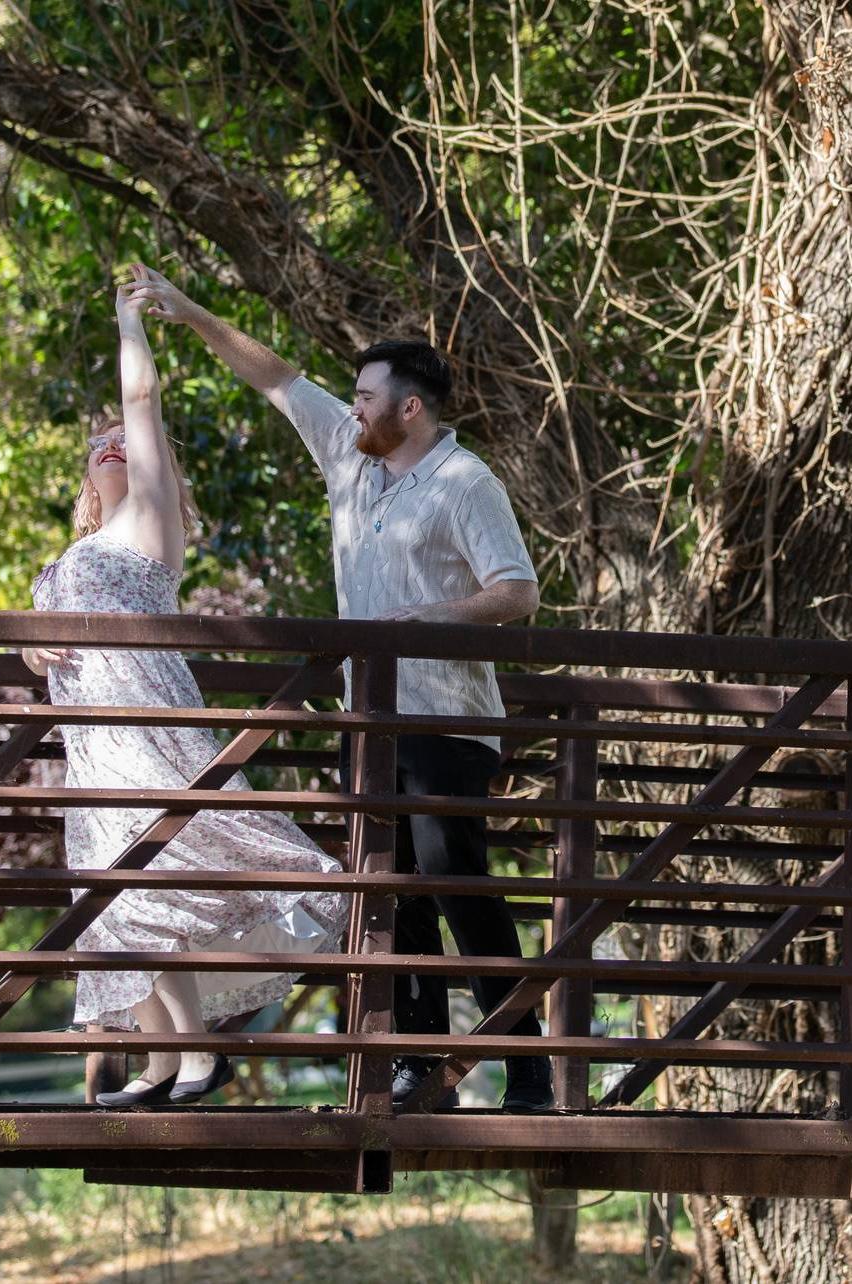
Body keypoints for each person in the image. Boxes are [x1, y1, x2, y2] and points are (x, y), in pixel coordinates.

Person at [125, 264, 553, 1114]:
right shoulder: (350, 460)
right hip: (371, 724)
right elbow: (277, 377)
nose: (352, 408)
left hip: (447, 723)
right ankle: (416, 1066)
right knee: (393, 894)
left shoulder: (467, 483)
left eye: (365, 397)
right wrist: (190, 311)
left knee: (456, 882)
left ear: (410, 409)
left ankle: (529, 1068)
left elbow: (518, 592)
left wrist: (426, 619)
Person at [24, 265, 348, 1109]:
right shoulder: (72, 556)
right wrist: (32, 647)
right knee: (112, 899)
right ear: (84, 478)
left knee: (149, 876)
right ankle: (166, 1060)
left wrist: (131, 322)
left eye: (124, 442)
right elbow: (49, 640)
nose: (113, 446)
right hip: (91, 746)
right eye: (98, 446)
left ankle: (199, 1055)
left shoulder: (148, 522)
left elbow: (142, 404)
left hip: (146, 728)